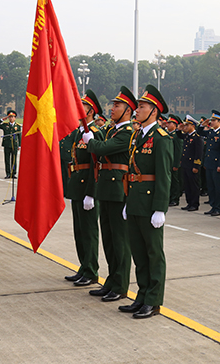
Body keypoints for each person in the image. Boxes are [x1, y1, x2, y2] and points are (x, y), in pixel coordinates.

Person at [89, 84, 172, 319]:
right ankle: (142, 296)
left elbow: (164, 176)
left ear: (154, 111)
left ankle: (153, 301)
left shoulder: (162, 138)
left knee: (153, 253)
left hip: (149, 204)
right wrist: (127, 202)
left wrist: (160, 209)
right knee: (138, 253)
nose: (137, 110)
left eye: (142, 107)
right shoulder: (138, 136)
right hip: (134, 200)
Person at [85, 86, 137, 302]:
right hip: (106, 189)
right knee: (108, 239)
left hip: (118, 191)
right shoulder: (112, 130)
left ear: (128, 111)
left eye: (117, 105)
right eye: (113, 104)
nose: (112, 108)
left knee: (120, 242)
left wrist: (90, 141)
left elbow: (103, 149)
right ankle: (111, 281)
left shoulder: (127, 133)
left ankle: (121, 285)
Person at [65, 90, 103, 287]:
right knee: (79, 230)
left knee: (89, 232)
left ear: (90, 112)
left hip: (87, 189)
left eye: (82, 107)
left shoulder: (93, 134)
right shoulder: (78, 133)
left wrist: (91, 193)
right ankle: (83, 267)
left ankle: (91, 270)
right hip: (77, 188)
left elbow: (95, 167)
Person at [198, 110, 220, 216]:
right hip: (209, 164)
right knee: (211, 187)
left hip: (217, 165)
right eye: (211, 120)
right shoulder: (211, 132)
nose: (211, 122)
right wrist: (203, 124)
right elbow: (200, 132)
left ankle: (218, 208)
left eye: (214, 120)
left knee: (218, 187)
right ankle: (213, 206)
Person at [178, 115, 204, 212]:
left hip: (192, 165)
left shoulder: (197, 138)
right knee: (187, 185)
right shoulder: (187, 136)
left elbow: (199, 153)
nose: (185, 127)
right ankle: (189, 203)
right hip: (185, 164)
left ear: (192, 126)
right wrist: (178, 129)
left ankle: (194, 204)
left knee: (194, 185)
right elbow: (179, 135)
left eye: (186, 125)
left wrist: (196, 165)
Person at [0, 110, 21, 179]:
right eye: (9, 117)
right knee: (7, 160)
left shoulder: (18, 126)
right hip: (7, 144)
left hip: (14, 145)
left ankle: (13, 173)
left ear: (15, 118)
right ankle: (8, 173)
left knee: (14, 160)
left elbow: (19, 136)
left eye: (12, 117)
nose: (11, 118)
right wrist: (2, 119)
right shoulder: (5, 125)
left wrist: (19, 145)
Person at [166, 114, 184, 207]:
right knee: (169, 181)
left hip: (174, 162)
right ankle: (169, 197)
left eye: (170, 123)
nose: (168, 125)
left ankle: (175, 199)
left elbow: (178, 150)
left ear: (175, 125)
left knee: (175, 182)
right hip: (168, 162)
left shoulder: (177, 136)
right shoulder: (168, 134)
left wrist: (176, 164)